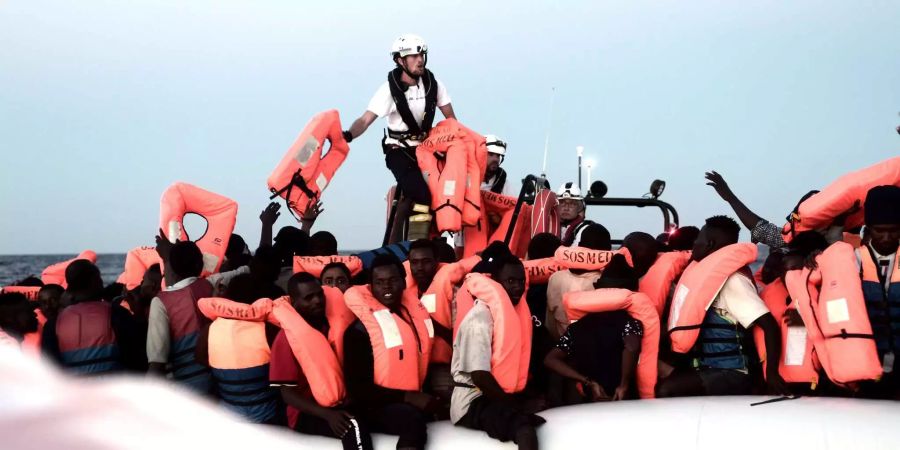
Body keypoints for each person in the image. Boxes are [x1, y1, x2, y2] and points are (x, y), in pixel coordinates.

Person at [656, 216, 788, 397]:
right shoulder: (702, 276)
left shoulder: (733, 280)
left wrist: (771, 374)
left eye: (698, 240)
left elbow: (769, 325)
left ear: (709, 244)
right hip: (706, 367)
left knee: (666, 390)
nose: (694, 244)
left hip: (732, 372)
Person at [344, 34, 456, 240]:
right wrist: (348, 135)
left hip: (426, 149)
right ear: (400, 60)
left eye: (421, 54)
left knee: (446, 191)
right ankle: (416, 244)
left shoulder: (435, 84)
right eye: (413, 56)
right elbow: (365, 120)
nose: (420, 59)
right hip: (398, 150)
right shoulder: (388, 90)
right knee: (421, 194)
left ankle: (440, 239)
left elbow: (451, 121)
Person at [451, 249, 544, 450]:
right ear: (495, 282)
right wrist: (515, 406)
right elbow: (479, 376)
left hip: (496, 395)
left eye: (521, 281)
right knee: (524, 429)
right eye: (510, 281)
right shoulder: (479, 318)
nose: (518, 287)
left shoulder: (516, 313)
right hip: (472, 401)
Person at [343, 254, 437, 450]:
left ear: (404, 283)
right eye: (380, 282)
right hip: (372, 407)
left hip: (408, 397)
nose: (386, 287)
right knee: (413, 421)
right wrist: (408, 398)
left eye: (393, 280)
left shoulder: (411, 318)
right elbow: (359, 390)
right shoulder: (358, 332)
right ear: (371, 286)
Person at [270, 273, 374, 449]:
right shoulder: (286, 338)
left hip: (339, 403)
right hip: (306, 413)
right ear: (294, 303)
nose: (317, 301)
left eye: (319, 294)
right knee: (353, 427)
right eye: (308, 298)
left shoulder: (330, 326)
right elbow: (286, 394)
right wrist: (327, 415)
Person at [148, 233, 247, 392]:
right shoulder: (212, 283)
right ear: (201, 264)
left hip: (184, 391)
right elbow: (244, 270)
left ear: (172, 267)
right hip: (219, 382)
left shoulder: (160, 302)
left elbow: (157, 361)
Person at [543, 254, 643, 404]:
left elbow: (550, 359)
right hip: (622, 400)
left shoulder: (577, 327)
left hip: (591, 399)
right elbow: (631, 347)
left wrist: (588, 382)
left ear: (598, 289)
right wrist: (624, 385)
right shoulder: (630, 323)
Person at [197, 273, 282, 425]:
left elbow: (200, 358)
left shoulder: (210, 329)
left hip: (230, 417)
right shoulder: (268, 329)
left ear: (228, 298)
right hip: (268, 416)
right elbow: (283, 373)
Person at [42, 260, 142, 375]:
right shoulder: (117, 313)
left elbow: (49, 368)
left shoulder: (54, 323)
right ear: (94, 281)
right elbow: (136, 358)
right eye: (99, 278)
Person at [704, 171, 848, 249]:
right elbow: (761, 229)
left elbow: (761, 229)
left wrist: (730, 197)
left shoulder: (832, 244)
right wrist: (730, 197)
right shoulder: (793, 237)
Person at [855, 185, 900, 398]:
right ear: (868, 228)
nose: (886, 237)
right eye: (879, 231)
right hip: (866, 357)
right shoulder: (852, 260)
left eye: (893, 230)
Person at [545, 224, 611, 340]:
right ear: (607, 252)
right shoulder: (604, 282)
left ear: (579, 246)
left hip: (559, 345)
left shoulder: (555, 278)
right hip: (592, 349)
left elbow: (550, 324)